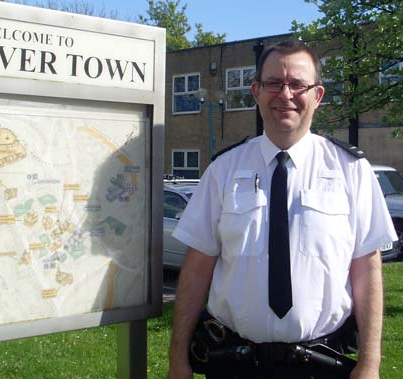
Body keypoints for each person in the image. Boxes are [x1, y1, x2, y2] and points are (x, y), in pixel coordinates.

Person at [167, 40, 397, 379]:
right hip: (234, 363)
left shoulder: (351, 170)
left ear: (317, 95)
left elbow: (366, 268)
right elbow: (198, 267)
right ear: (256, 91)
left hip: (321, 364)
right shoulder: (223, 170)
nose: (285, 94)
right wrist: (178, 358)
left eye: (297, 84)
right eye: (274, 83)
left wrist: (370, 363)